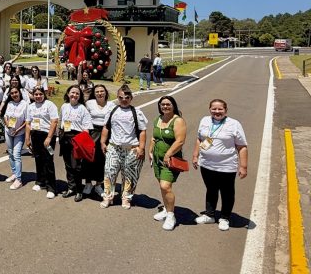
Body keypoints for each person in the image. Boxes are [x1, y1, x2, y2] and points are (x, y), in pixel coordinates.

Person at [193, 99, 248, 231]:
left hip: (226, 166)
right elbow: (200, 139)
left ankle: (224, 217)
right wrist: (196, 155)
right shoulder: (205, 121)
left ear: (225, 110)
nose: (217, 112)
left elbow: (242, 146)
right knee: (211, 190)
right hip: (206, 164)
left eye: (220, 109)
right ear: (210, 109)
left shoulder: (234, 124)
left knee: (227, 192)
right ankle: (210, 215)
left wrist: (243, 166)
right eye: (214, 109)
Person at [100, 85, 148, 209]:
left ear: (131, 98)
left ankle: (126, 198)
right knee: (109, 172)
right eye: (121, 97)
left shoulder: (136, 112)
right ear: (117, 97)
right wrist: (102, 142)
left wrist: (141, 148)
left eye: (127, 97)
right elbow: (106, 127)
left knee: (129, 175)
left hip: (131, 148)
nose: (124, 100)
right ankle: (108, 196)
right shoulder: (112, 111)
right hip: (114, 147)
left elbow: (142, 131)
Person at [150, 96, 187, 231]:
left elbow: (180, 141)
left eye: (168, 104)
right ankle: (166, 209)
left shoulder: (178, 121)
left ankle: (171, 215)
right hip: (157, 158)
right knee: (161, 185)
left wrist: (168, 154)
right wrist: (150, 151)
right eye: (162, 104)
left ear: (173, 105)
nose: (165, 107)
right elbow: (154, 137)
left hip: (169, 160)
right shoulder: (158, 119)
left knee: (166, 186)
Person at [59, 85, 94, 201]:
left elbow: (87, 128)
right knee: (68, 165)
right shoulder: (64, 106)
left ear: (80, 96)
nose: (74, 95)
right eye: (72, 92)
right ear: (68, 93)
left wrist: (82, 142)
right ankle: (71, 188)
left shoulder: (82, 109)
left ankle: (79, 190)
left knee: (76, 166)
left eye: (77, 94)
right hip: (65, 137)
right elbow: (61, 122)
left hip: (76, 139)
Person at [25, 86, 59, 198]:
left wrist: (49, 137)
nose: (38, 96)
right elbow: (28, 123)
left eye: (40, 94)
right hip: (35, 134)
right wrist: (27, 138)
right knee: (38, 159)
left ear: (44, 94)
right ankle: (40, 181)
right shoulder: (30, 107)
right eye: (36, 94)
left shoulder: (50, 105)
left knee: (48, 160)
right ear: (33, 95)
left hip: (47, 135)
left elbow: (54, 121)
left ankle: (51, 188)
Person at [84, 84, 115, 198]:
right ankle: (88, 183)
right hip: (92, 132)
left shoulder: (112, 105)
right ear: (94, 93)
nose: (100, 93)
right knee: (88, 158)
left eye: (102, 91)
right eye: (97, 91)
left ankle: (98, 184)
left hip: (105, 133)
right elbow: (84, 117)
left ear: (106, 92)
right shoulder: (89, 103)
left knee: (102, 160)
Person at [1, 85, 27, 190]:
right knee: (10, 153)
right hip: (8, 131)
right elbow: (5, 116)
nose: (14, 95)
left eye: (16, 92)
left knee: (16, 155)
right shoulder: (10, 103)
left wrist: (18, 129)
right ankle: (14, 173)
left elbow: (27, 120)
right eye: (12, 93)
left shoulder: (25, 104)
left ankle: (19, 180)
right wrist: (8, 126)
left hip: (19, 133)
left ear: (19, 93)